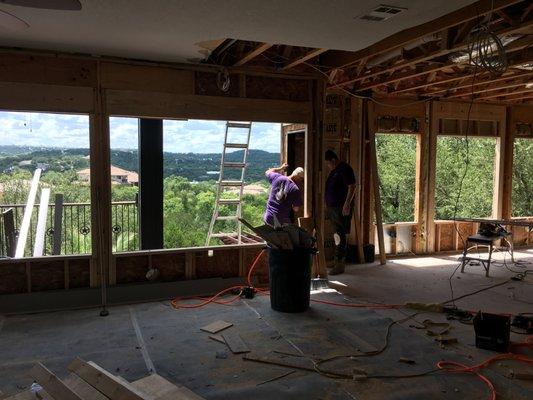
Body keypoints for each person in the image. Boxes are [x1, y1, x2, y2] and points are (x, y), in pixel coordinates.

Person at [324, 150, 356, 275]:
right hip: (333, 208)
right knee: (337, 235)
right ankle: (337, 261)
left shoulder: (345, 169)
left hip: (340, 208)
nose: (328, 166)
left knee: (339, 235)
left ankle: (339, 264)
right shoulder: (334, 170)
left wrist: (347, 203)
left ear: (333, 160)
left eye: (328, 163)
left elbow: (352, 186)